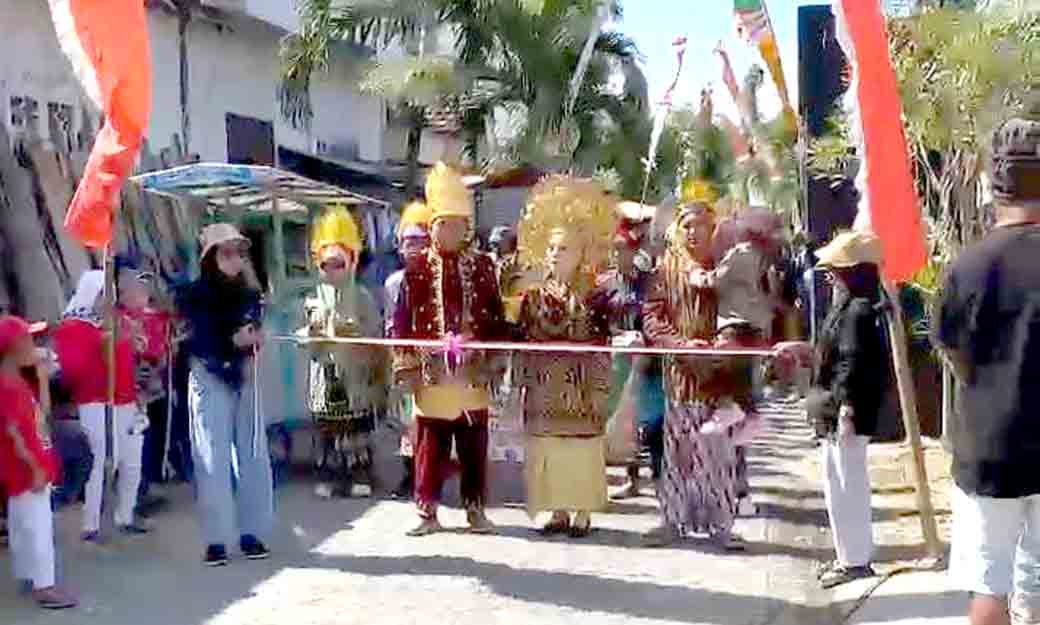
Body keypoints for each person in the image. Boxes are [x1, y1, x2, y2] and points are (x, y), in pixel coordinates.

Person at [934, 117, 1040, 625]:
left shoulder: (967, 266)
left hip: (989, 446)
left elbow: (955, 354)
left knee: (988, 586)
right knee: (1036, 585)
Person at [390, 162, 506, 536]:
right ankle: (427, 513)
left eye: (457, 223)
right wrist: (406, 363)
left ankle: (476, 511)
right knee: (430, 445)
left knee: (474, 444)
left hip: (471, 371)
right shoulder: (416, 268)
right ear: (432, 227)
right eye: (442, 224)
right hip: (432, 371)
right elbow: (401, 320)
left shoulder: (484, 266)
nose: (449, 230)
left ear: (467, 228)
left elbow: (496, 315)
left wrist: (488, 349)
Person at [642, 192, 744, 550]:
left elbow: (741, 312)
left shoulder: (726, 267)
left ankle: (721, 526)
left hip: (719, 381)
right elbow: (652, 320)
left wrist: (723, 343)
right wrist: (682, 345)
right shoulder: (664, 271)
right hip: (679, 380)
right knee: (677, 456)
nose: (694, 233)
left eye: (702, 226)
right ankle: (673, 521)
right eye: (687, 226)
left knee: (717, 456)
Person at [515, 176, 615, 537]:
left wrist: (599, 387)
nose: (558, 254)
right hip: (544, 385)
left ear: (581, 254)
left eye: (566, 248)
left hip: (580, 382)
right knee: (549, 447)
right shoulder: (531, 296)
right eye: (553, 248)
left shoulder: (596, 297)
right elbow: (523, 338)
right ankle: (556, 510)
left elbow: (604, 342)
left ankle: (583, 512)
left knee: (582, 448)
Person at [177, 223, 272, 567]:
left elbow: (255, 330)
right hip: (208, 376)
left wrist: (255, 339)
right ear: (210, 257)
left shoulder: (250, 293)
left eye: (239, 252)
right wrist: (231, 342)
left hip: (245, 374)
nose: (235, 259)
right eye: (227, 252)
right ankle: (216, 539)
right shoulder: (192, 294)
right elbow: (193, 340)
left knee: (253, 453)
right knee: (211, 458)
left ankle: (253, 533)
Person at [808, 230, 888, 589]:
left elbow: (851, 365)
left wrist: (846, 410)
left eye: (835, 269)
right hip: (837, 410)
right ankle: (848, 555)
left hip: (846, 413)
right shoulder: (850, 306)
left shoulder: (857, 310)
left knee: (847, 486)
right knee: (838, 484)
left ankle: (854, 560)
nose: (829, 275)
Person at [53, 270, 148, 541]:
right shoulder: (73, 327)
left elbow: (134, 358)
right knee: (102, 460)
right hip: (96, 402)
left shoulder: (117, 321)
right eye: (102, 294)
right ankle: (92, 523)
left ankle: (125, 516)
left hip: (126, 401)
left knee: (132, 462)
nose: (107, 300)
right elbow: (74, 369)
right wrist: (102, 344)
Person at [303, 206, 384, 498]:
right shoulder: (313, 298)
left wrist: (358, 335)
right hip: (325, 374)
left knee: (356, 429)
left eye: (338, 263)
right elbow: (306, 338)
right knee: (328, 430)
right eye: (327, 265)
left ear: (351, 262)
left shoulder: (362, 297)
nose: (332, 270)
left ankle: (360, 475)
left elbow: (376, 335)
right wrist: (313, 335)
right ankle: (329, 476)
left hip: (356, 374)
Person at [0, 317, 77, 609]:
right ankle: (45, 586)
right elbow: (13, 433)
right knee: (38, 525)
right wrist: (34, 466)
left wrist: (42, 377)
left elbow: (41, 415)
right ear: (13, 347)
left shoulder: (17, 380)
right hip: (27, 467)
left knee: (22, 521)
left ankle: (26, 574)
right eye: (29, 341)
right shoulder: (6, 386)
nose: (35, 346)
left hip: (31, 463)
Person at [599, 219, 665, 499]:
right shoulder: (605, 283)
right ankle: (631, 478)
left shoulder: (648, 280)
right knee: (622, 422)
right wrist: (616, 335)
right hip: (618, 359)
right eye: (614, 249)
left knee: (652, 422)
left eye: (623, 248)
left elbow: (655, 314)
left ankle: (661, 479)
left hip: (648, 360)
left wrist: (644, 339)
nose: (618, 254)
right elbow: (600, 319)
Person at [116, 261, 173, 513]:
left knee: (151, 438)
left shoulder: (150, 315)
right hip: (131, 389)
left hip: (152, 386)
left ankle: (146, 485)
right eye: (137, 286)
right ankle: (134, 494)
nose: (143, 291)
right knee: (136, 440)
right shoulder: (120, 320)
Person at [385, 201, 433, 499]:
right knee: (406, 422)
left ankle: (431, 476)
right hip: (404, 357)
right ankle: (409, 475)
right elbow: (389, 320)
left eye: (419, 241)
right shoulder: (392, 283)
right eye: (407, 241)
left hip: (433, 359)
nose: (413, 247)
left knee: (429, 420)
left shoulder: (436, 278)